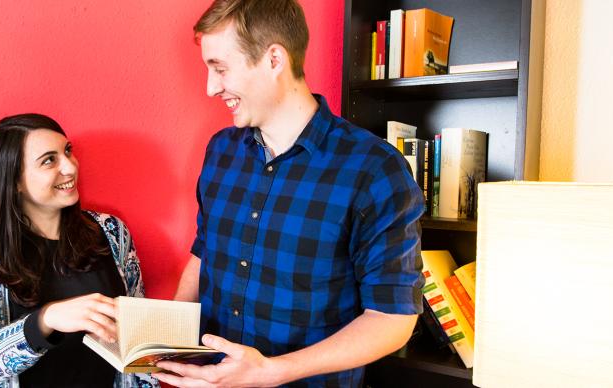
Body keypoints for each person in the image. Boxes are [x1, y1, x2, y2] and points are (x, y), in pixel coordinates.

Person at [154, 1, 425, 386]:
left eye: (220, 68)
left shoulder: (376, 169)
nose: (211, 87)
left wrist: (273, 371)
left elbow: (393, 318)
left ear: (274, 60)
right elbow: (205, 250)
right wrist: (166, 338)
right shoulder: (220, 151)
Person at [0, 113, 157, 388]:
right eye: (49, 160)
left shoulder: (112, 233)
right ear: (14, 181)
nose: (70, 167)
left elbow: (138, 340)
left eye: (68, 151)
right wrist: (45, 320)